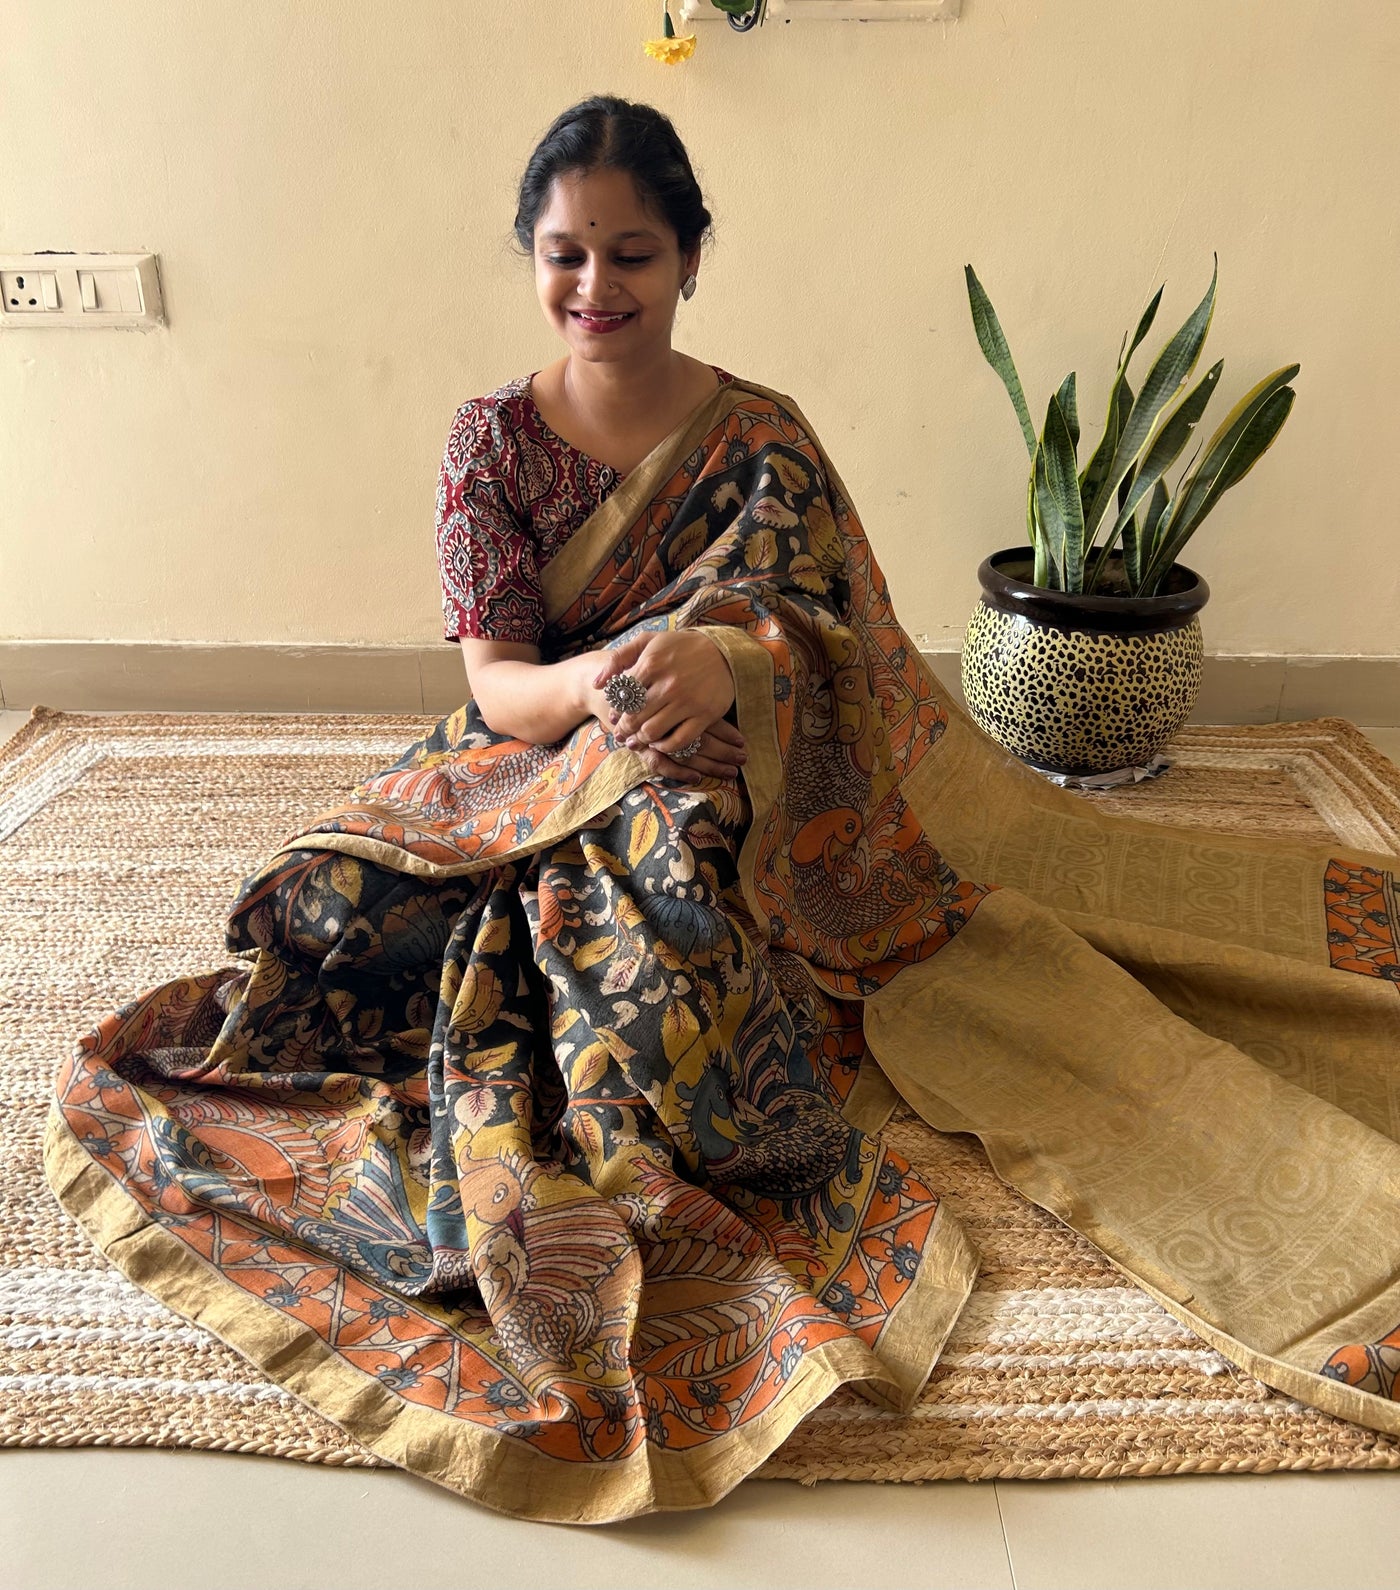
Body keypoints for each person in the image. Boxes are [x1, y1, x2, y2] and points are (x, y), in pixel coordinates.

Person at [47, 96, 1400, 1526]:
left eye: (632, 253)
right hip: (535, 747)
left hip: (722, 761)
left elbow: (841, 642)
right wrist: (606, 684)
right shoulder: (491, 441)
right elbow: (499, 680)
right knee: (316, 915)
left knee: (668, 970)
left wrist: (727, 663)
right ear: (532, 258)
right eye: (565, 255)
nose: (596, 288)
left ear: (690, 257)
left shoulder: (763, 436)